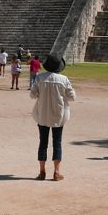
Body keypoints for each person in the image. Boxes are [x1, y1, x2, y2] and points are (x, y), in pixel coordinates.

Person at [30, 53, 76, 181]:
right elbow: (72, 97)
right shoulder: (63, 79)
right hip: (59, 114)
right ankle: (56, 172)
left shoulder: (40, 78)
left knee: (42, 143)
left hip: (42, 114)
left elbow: (33, 95)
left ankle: (42, 172)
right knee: (57, 143)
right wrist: (61, 97)